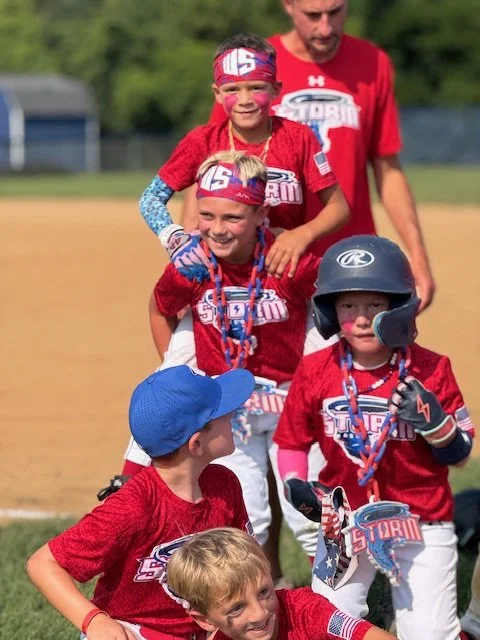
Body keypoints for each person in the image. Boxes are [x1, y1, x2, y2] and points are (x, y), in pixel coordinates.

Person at [126, 151, 327, 577]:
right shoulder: (192, 264)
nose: (217, 229)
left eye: (233, 217)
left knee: (312, 519)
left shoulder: (287, 260)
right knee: (245, 522)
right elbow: (161, 309)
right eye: (207, 215)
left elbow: (334, 309)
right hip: (230, 412)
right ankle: (259, 603)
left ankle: (339, 603)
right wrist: (181, 374)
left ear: (261, 214)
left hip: (290, 405)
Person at [272, 234, 474, 639]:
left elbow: (461, 454)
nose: (361, 319)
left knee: (429, 635)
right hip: (344, 520)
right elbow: (292, 441)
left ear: (399, 307)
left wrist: (436, 424)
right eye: (348, 306)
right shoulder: (315, 369)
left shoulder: (432, 368)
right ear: (330, 311)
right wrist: (296, 484)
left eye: (374, 305)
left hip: (420, 520)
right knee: (327, 624)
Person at [199, 0, 435, 311]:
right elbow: (210, 166)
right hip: (266, 261)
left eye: (335, 12)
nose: (325, 28)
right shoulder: (252, 64)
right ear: (288, 5)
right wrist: (196, 255)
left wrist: (418, 256)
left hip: (350, 259)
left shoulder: (372, 63)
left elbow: (388, 169)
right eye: (313, 15)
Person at [26, 365, 256, 640]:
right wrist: (94, 621)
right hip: (132, 630)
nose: (232, 415)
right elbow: (43, 563)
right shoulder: (135, 506)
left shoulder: (224, 484)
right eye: (222, 414)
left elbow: (244, 565)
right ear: (196, 444)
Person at [140, 32, 349, 282]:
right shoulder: (202, 141)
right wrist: (175, 239)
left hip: (282, 278)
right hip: (216, 281)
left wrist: (301, 235)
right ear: (217, 93)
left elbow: (339, 207)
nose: (245, 100)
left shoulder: (298, 138)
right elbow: (151, 198)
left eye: (256, 87)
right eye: (232, 90)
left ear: (275, 89)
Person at [166, 527, 396, 640]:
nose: (260, 613)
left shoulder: (306, 611)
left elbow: (365, 635)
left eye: (264, 592)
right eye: (237, 608)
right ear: (205, 620)